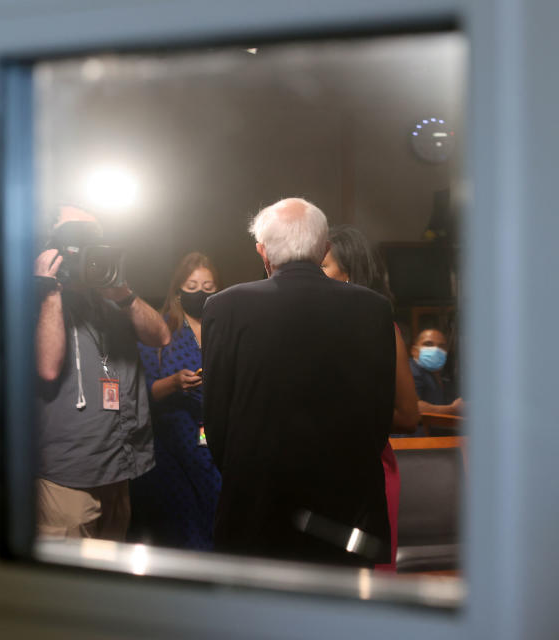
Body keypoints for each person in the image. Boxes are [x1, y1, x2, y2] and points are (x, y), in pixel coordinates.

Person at [201, 198, 396, 567]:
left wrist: (249, 470)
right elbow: (379, 414)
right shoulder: (373, 308)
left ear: (263, 252)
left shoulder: (225, 307)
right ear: (324, 249)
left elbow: (216, 419)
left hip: (257, 502)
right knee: (340, 618)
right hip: (347, 505)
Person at [34, 205, 170, 541]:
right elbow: (48, 367)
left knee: (105, 580)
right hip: (68, 474)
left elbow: (161, 337)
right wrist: (50, 290)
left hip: (118, 464)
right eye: (75, 235)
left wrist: (123, 294)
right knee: (67, 585)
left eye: (94, 236)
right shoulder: (33, 300)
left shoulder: (112, 300)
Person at [322, 224, 419, 572]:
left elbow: (408, 416)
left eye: (323, 268)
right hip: (316, 474)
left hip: (367, 474)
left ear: (349, 274)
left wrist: (348, 413)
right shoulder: (307, 327)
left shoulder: (382, 329)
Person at [131, 252, 223, 550]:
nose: (200, 293)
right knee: (179, 524)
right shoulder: (160, 329)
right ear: (178, 290)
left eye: (208, 287)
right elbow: (140, 393)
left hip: (217, 442)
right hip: (170, 443)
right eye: (192, 285)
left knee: (216, 512)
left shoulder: (223, 329)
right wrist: (174, 383)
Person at [410, 327, 464, 416]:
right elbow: (413, 408)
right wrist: (452, 409)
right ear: (414, 351)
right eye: (428, 344)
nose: (435, 350)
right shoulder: (411, 372)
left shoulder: (444, 375)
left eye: (441, 346)